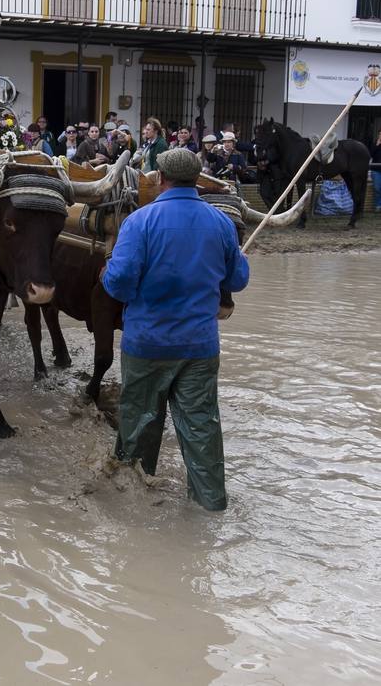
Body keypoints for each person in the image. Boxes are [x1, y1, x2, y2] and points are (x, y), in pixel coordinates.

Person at [101, 149, 250, 510]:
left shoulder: (139, 222)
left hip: (147, 344)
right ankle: (211, 504)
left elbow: (119, 284)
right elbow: (238, 280)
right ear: (197, 180)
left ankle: (131, 505)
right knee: (201, 427)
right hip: (199, 346)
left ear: (160, 178)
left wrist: (107, 273)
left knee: (139, 424)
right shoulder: (221, 223)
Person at [371, 129, 381, 211]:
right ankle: (378, 205)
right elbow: (370, 154)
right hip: (376, 170)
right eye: (380, 134)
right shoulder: (375, 144)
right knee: (377, 188)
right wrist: (377, 145)